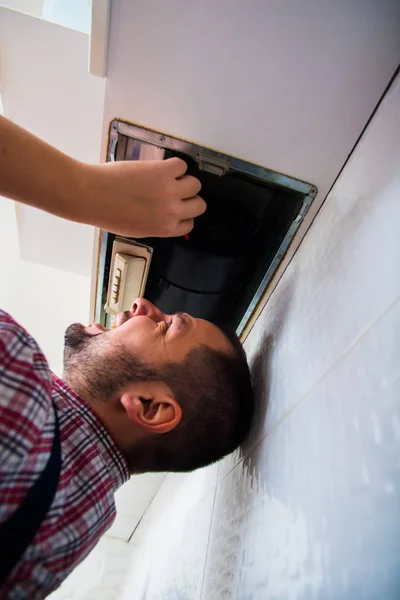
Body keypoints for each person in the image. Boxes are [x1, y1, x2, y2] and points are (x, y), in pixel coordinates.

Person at [0, 117, 255, 598]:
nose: (140, 306)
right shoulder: (83, 524)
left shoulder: (20, 397)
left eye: (163, 326)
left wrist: (85, 190)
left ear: (151, 407)